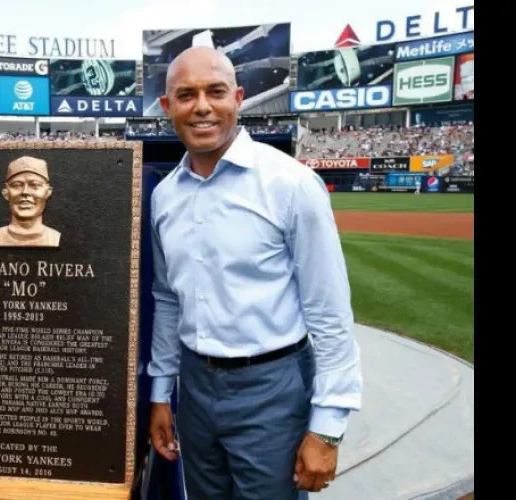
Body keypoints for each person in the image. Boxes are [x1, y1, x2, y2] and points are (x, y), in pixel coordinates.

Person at [147, 46, 363, 499]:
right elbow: (167, 297)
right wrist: (161, 392)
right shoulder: (164, 196)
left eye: (216, 91)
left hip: (273, 388)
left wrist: (327, 427)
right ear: (167, 107)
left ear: (239, 98)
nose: (202, 106)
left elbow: (329, 313)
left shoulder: (291, 184)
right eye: (186, 95)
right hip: (195, 388)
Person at [0, 156, 61, 248]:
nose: (25, 192)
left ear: (47, 192)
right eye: (17, 185)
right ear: (6, 193)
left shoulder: (54, 238)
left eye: (34, 185)